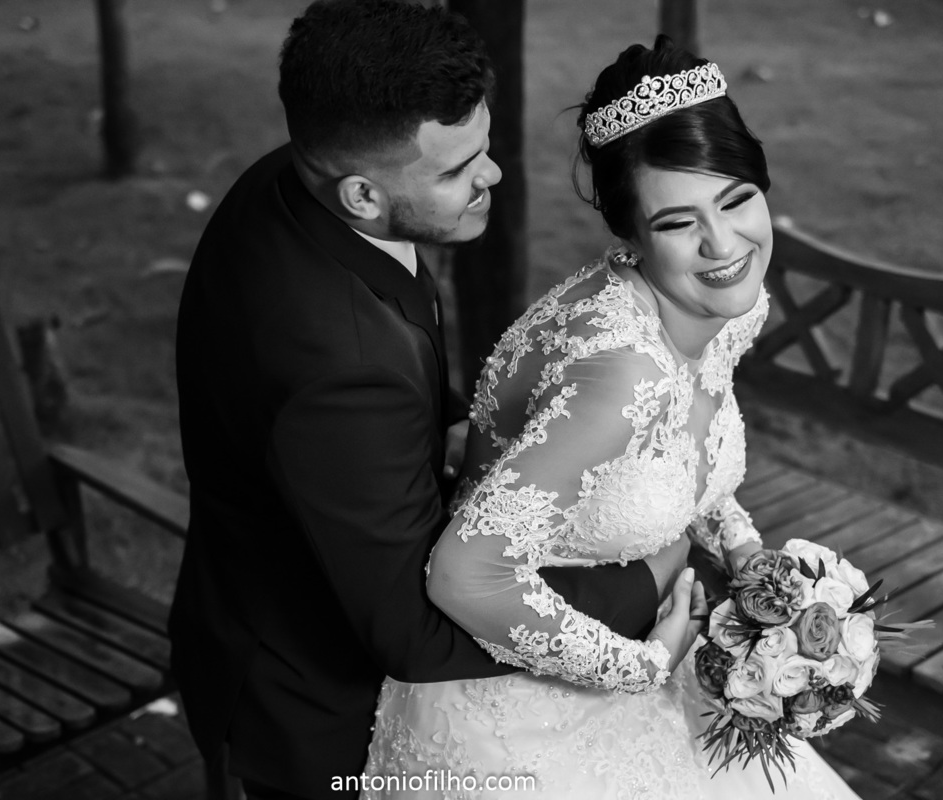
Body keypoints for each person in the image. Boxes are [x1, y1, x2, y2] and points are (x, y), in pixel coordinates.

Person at [168, 4, 693, 799]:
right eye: (455, 172)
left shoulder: (297, 176)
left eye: (484, 146)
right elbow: (410, 631)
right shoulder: (339, 372)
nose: (493, 176)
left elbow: (392, 352)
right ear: (360, 195)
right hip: (315, 706)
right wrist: (646, 581)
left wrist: (448, 422)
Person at [362, 36, 863, 799]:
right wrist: (643, 665)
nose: (723, 244)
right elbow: (464, 574)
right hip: (513, 708)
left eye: (736, 199)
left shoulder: (729, 305)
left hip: (641, 618)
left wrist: (755, 567)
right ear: (629, 235)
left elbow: (683, 464)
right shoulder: (623, 371)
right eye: (678, 223)